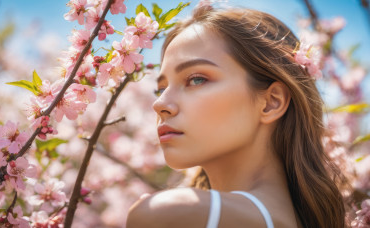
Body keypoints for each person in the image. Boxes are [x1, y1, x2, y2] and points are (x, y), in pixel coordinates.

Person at [126, 4, 346, 228]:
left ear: (272, 102)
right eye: (161, 88)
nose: (159, 104)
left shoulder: (171, 214)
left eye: (196, 79)